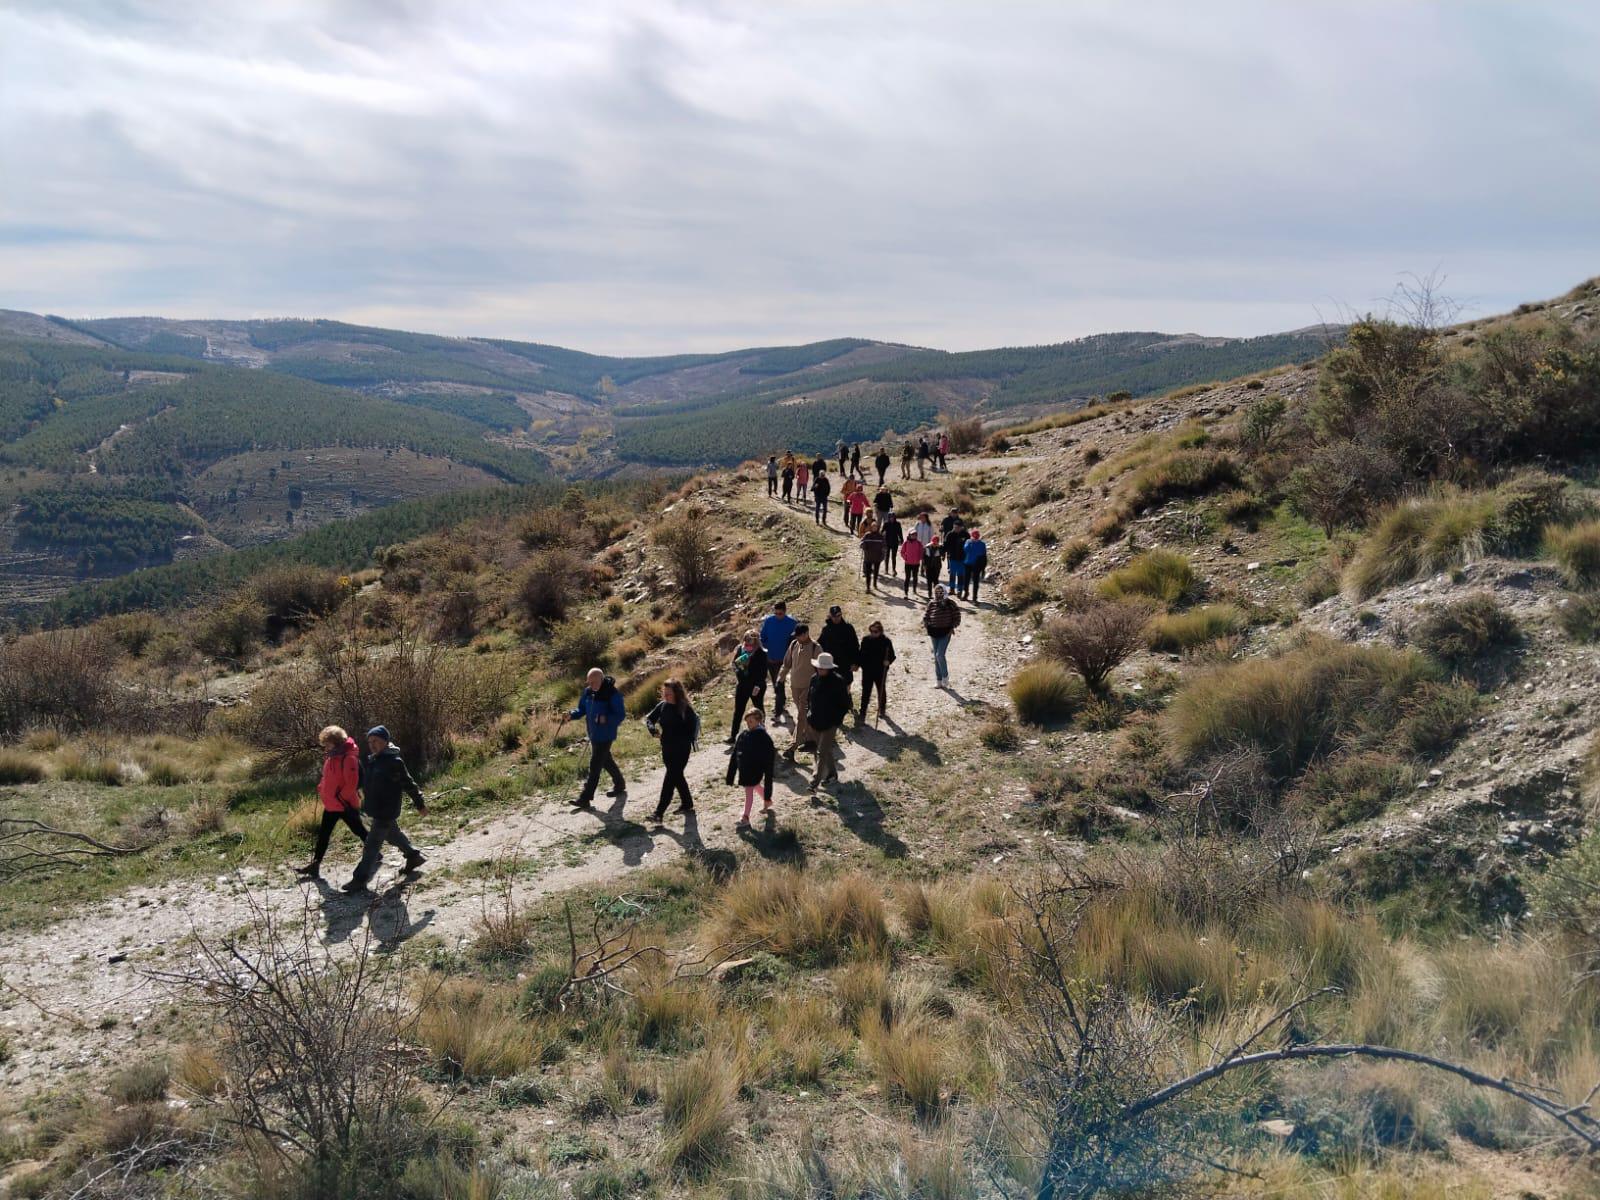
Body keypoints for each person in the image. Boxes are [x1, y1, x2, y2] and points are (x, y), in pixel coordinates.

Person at [341, 726, 427, 894]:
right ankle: (413, 857)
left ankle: (359, 879)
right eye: (370, 741)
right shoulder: (373, 760)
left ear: (385, 741)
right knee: (393, 835)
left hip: (386, 811)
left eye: (376, 741)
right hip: (376, 809)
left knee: (371, 845)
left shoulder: (394, 762)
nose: (372, 744)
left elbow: (409, 784)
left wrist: (420, 804)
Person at [295, 725, 369, 877]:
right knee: (324, 834)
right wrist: (322, 787)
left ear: (336, 742)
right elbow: (327, 778)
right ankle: (315, 865)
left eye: (328, 743)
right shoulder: (331, 757)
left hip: (344, 804)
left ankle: (374, 852)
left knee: (358, 830)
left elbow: (351, 783)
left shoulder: (349, 758)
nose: (325, 746)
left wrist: (341, 799)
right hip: (332, 804)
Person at [568, 669, 628, 809]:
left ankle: (585, 798)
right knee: (605, 760)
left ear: (601, 679)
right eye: (589, 682)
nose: (591, 684)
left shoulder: (612, 693)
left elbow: (620, 715)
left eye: (593, 682)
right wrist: (570, 715)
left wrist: (605, 718)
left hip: (606, 734)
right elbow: (581, 710)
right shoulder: (588, 692)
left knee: (595, 765)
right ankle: (620, 783)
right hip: (593, 734)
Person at [645, 679, 699, 822]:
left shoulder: (686, 709)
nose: (666, 696)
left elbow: (691, 730)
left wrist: (679, 738)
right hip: (667, 748)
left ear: (677, 693)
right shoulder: (663, 706)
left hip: (681, 750)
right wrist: (652, 729)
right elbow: (649, 719)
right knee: (677, 776)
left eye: (669, 693)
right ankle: (687, 803)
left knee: (670, 779)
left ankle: (658, 813)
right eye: (665, 693)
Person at [806, 653, 851, 792]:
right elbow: (810, 698)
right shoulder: (814, 679)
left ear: (830, 668)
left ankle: (815, 781)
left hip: (830, 723)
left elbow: (845, 704)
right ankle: (832, 774)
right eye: (819, 667)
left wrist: (836, 720)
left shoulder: (838, 682)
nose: (820, 670)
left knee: (821, 752)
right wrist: (809, 713)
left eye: (823, 668)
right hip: (815, 721)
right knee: (825, 750)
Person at [726, 708, 776, 827]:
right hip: (745, 768)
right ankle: (767, 801)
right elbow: (735, 752)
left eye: (751, 721)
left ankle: (745, 817)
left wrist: (766, 770)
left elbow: (769, 756)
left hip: (755, 769)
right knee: (755, 786)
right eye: (747, 722)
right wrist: (731, 774)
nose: (748, 724)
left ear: (759, 721)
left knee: (749, 791)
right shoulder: (744, 734)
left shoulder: (764, 737)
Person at [777, 623, 819, 758]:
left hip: (809, 687)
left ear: (806, 634)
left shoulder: (816, 648)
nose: (798, 638)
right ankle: (812, 739)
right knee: (805, 715)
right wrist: (780, 679)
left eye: (800, 635)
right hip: (795, 685)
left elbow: (822, 669)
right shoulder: (794, 644)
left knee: (801, 716)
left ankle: (793, 746)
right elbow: (787, 663)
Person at [760, 600, 798, 720]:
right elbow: (762, 637)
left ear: (785, 611)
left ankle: (778, 710)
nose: (778, 616)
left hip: (785, 660)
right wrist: (766, 648)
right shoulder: (769, 621)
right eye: (776, 613)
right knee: (776, 683)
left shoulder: (792, 623)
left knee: (779, 683)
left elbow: (798, 640)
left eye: (780, 613)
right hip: (771, 658)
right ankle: (781, 702)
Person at [729, 631, 768, 742]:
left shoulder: (761, 653)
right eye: (746, 641)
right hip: (742, 685)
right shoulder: (741, 650)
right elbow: (734, 664)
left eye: (750, 642)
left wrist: (758, 686)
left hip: (756, 686)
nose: (747, 644)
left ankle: (762, 733)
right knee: (738, 711)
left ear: (756, 642)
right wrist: (738, 668)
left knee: (759, 709)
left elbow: (763, 673)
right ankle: (733, 736)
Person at [856, 620, 897, 721]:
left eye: (876, 632)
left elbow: (892, 655)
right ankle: (862, 713)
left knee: (881, 690)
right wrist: (860, 664)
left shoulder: (886, 641)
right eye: (872, 631)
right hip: (868, 671)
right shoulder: (866, 640)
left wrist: (888, 662)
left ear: (881, 631)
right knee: (866, 691)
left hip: (880, 671)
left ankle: (882, 709)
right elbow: (861, 654)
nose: (873, 633)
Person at [923, 585, 962, 687]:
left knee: (940, 655)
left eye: (941, 592)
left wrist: (952, 626)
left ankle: (945, 677)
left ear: (945, 592)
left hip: (945, 633)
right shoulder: (932, 603)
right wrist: (926, 624)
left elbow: (957, 616)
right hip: (933, 632)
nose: (938, 594)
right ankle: (939, 681)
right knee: (936, 657)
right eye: (936, 592)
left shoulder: (950, 603)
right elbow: (926, 615)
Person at [818, 604, 859, 689]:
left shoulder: (848, 628)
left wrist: (856, 663)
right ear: (830, 616)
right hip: (831, 665)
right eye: (834, 616)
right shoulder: (826, 629)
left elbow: (855, 646)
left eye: (838, 615)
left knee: (846, 690)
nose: (836, 618)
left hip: (845, 665)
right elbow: (820, 645)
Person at [963, 528, 989, 604]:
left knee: (975, 582)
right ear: (971, 536)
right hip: (968, 563)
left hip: (977, 565)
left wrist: (983, 567)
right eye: (974, 536)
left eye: (976, 537)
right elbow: (965, 549)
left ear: (979, 536)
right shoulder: (968, 542)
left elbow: (984, 555)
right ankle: (966, 594)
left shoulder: (982, 544)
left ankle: (975, 597)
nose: (975, 538)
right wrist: (971, 542)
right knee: (966, 580)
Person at [860, 524, 886, 592]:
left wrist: (883, 555)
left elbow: (884, 546)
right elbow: (862, 542)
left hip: (877, 557)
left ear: (877, 528)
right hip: (868, 557)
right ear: (871, 527)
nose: (874, 528)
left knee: (876, 572)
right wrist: (862, 545)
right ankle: (868, 587)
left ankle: (874, 584)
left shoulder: (880, 536)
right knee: (868, 573)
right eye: (873, 527)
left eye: (876, 527)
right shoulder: (867, 535)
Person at [900, 530, 924, 596]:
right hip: (908, 563)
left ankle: (914, 590)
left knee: (915, 577)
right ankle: (906, 592)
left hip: (916, 564)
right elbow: (902, 552)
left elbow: (922, 551)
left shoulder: (919, 543)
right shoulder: (906, 543)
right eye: (912, 534)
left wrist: (920, 558)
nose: (914, 536)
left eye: (915, 535)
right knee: (907, 578)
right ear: (909, 535)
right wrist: (905, 558)